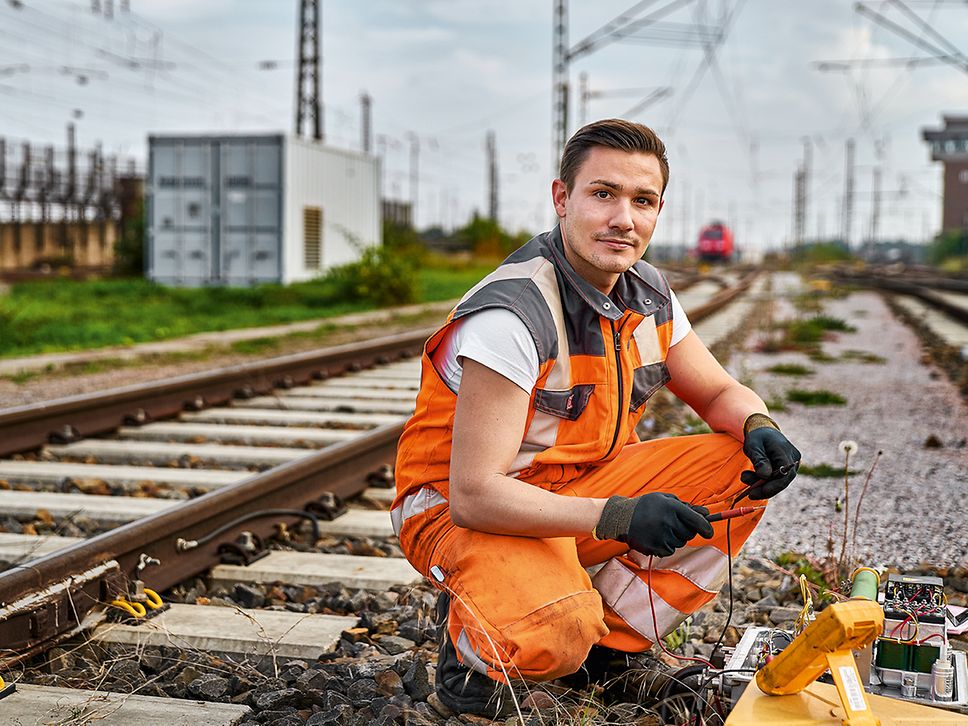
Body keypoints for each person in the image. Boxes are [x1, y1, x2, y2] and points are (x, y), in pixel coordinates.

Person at [390, 118, 800, 716]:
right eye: (602, 194)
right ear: (563, 198)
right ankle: (475, 653)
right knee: (556, 631)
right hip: (466, 514)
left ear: (659, 210)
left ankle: (613, 653)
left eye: (643, 200)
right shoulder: (514, 315)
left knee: (739, 462)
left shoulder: (646, 294)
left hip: (571, 495)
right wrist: (618, 515)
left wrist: (759, 423)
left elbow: (716, 394)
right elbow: (473, 496)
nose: (623, 219)